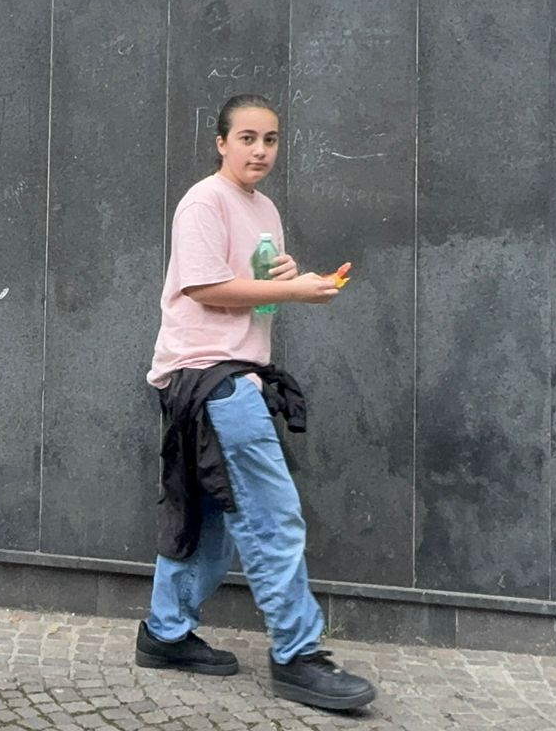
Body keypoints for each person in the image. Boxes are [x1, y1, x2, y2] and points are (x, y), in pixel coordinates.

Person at [133, 93, 377, 713]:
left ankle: (165, 634)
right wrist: (295, 291)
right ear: (221, 142)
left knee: (213, 518)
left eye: (270, 140)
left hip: (230, 371)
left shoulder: (262, 207)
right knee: (271, 514)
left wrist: (281, 283)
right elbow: (204, 286)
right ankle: (298, 655)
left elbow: (251, 295)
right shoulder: (204, 200)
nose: (260, 151)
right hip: (211, 376)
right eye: (247, 138)